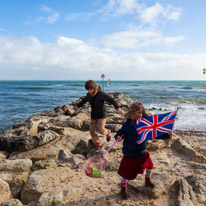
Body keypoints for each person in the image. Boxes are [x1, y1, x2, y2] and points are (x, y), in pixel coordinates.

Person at [114, 102, 172, 199]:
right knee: (126, 174)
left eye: (140, 113)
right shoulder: (127, 124)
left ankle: (147, 180)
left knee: (150, 165)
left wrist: (166, 135)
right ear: (132, 113)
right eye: (137, 113)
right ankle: (123, 188)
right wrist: (118, 137)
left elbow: (153, 133)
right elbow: (119, 133)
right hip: (130, 153)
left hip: (141, 152)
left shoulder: (144, 124)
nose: (139, 115)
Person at [73, 80, 122, 149]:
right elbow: (84, 100)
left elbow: (111, 100)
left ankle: (108, 132)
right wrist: (77, 105)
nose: (89, 91)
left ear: (94, 88)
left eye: (90, 89)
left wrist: (117, 108)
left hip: (102, 114)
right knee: (91, 130)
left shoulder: (101, 94)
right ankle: (99, 144)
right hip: (94, 115)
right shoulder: (89, 95)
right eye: (87, 90)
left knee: (100, 130)